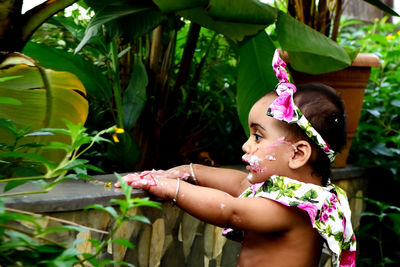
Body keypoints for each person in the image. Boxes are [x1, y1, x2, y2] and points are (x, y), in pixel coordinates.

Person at [115, 49, 356, 267]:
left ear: (298, 154)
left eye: (258, 137)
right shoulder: (289, 193)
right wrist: (189, 170)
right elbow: (241, 184)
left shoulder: (299, 209)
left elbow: (231, 211)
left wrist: (171, 188)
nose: (246, 145)